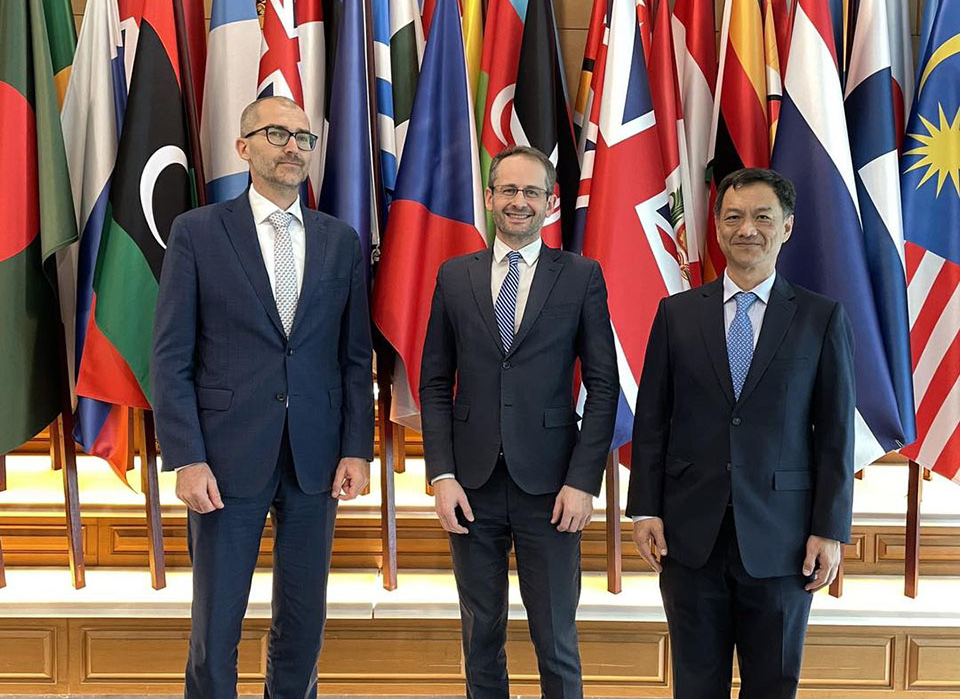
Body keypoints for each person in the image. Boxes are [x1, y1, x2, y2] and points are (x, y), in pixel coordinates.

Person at [151, 95, 374, 698]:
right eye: (277, 134)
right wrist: (186, 457)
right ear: (243, 147)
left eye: (303, 138)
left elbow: (354, 358)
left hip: (316, 460)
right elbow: (170, 357)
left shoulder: (340, 240)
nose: (293, 147)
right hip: (223, 462)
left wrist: (357, 448)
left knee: (303, 625)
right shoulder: (198, 232)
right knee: (215, 626)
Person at [627, 167, 855, 699]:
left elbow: (835, 434)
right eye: (733, 217)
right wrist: (645, 509)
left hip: (784, 542)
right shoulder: (677, 314)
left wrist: (830, 529)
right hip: (689, 538)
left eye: (761, 217)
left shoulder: (820, 318)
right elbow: (652, 420)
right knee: (695, 685)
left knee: (773, 684)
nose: (746, 229)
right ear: (717, 227)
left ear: (787, 227)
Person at [419, 145, 619, 699]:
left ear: (551, 202)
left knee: (555, 638)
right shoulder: (454, 276)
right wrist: (441, 476)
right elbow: (434, 383)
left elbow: (604, 386)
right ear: (489, 197)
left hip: (552, 490)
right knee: (481, 636)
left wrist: (583, 483)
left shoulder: (580, 276)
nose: (519, 201)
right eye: (508, 189)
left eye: (532, 191)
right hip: (471, 486)